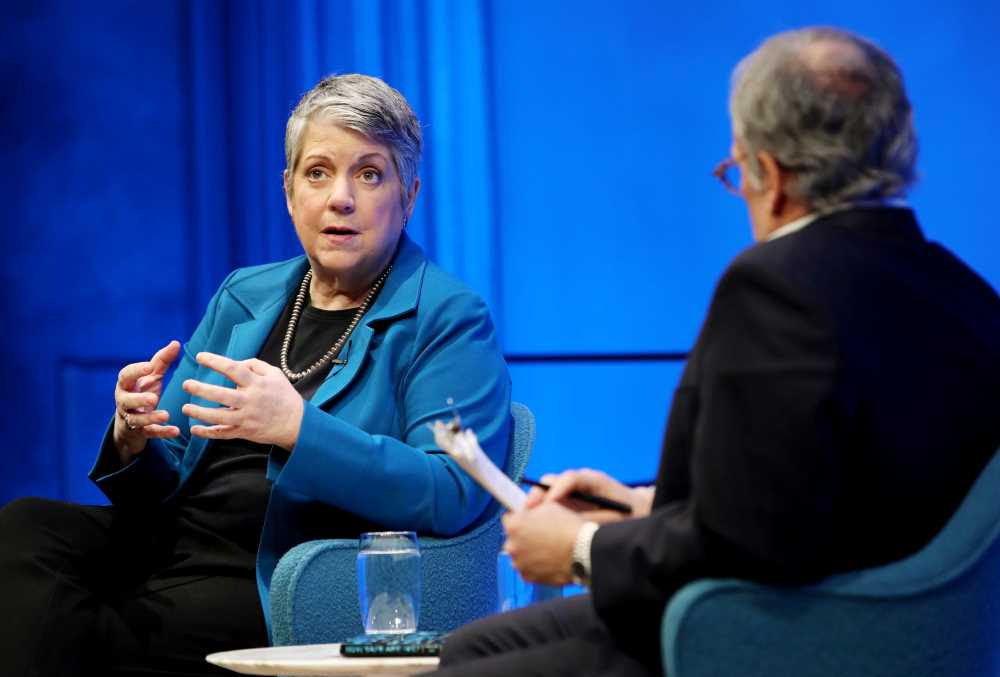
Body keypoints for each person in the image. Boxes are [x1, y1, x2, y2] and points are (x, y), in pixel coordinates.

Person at [427, 26, 1000, 677]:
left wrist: (581, 547)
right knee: (473, 646)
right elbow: (823, 498)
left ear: (771, 175)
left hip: (769, 639)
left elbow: (747, 544)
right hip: (898, 636)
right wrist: (637, 505)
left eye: (736, 172)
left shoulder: (777, 286)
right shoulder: (966, 295)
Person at [0, 74, 511, 677]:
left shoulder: (446, 316)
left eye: (370, 174)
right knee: (24, 528)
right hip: (173, 544)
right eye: (317, 173)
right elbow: (168, 478)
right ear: (289, 191)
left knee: (94, 632)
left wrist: (298, 427)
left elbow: (452, 491)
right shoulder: (246, 293)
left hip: (281, 575)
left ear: (409, 196)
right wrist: (132, 437)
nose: (340, 198)